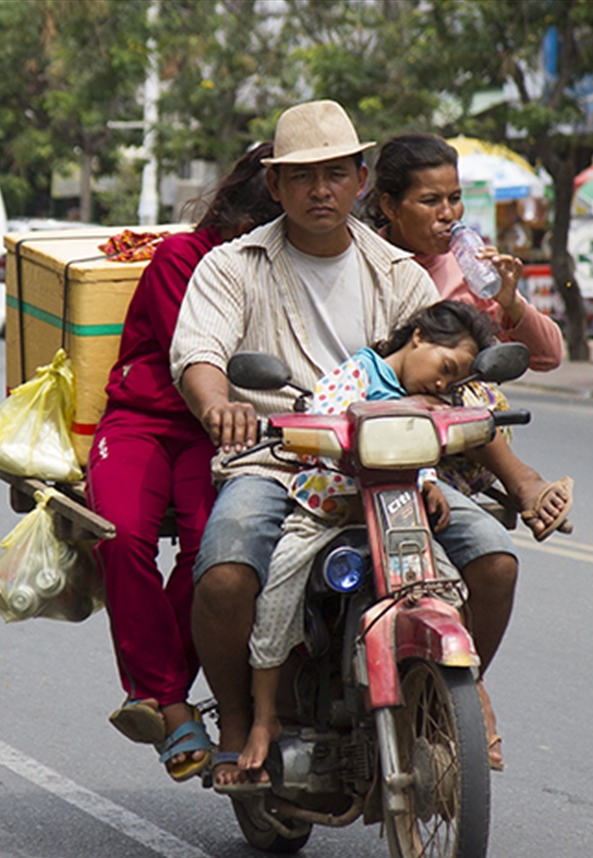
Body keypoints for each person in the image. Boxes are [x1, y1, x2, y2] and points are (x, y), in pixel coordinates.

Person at [170, 100, 440, 790]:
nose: (320, 190)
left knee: (494, 562)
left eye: (335, 174)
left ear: (359, 178)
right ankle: (237, 722)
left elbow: (440, 365)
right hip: (274, 462)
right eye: (302, 177)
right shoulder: (233, 267)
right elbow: (199, 354)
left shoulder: (403, 275)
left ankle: (445, 711)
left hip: (388, 469)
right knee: (227, 570)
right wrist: (218, 405)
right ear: (274, 186)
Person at [86, 143, 282, 782]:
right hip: (147, 421)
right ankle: (170, 704)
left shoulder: (291, 262)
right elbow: (202, 354)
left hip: (219, 434)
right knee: (118, 536)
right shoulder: (184, 259)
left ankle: (157, 689)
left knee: (215, 555)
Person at [238, 300, 501, 776]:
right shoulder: (358, 374)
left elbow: (420, 449)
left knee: (447, 593)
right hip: (326, 514)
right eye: (445, 368)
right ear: (418, 336)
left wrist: (427, 484)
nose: (443, 384)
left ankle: (457, 695)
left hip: (396, 515)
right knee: (277, 599)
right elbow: (324, 410)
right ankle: (263, 719)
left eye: (453, 379)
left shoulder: (429, 403)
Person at [367, 133, 573, 539]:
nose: (448, 214)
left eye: (454, 198)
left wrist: (510, 303)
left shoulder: (471, 268)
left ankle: (521, 481)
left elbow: (549, 357)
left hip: (461, 435)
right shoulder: (364, 261)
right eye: (430, 201)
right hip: (382, 424)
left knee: (459, 383)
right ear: (390, 206)